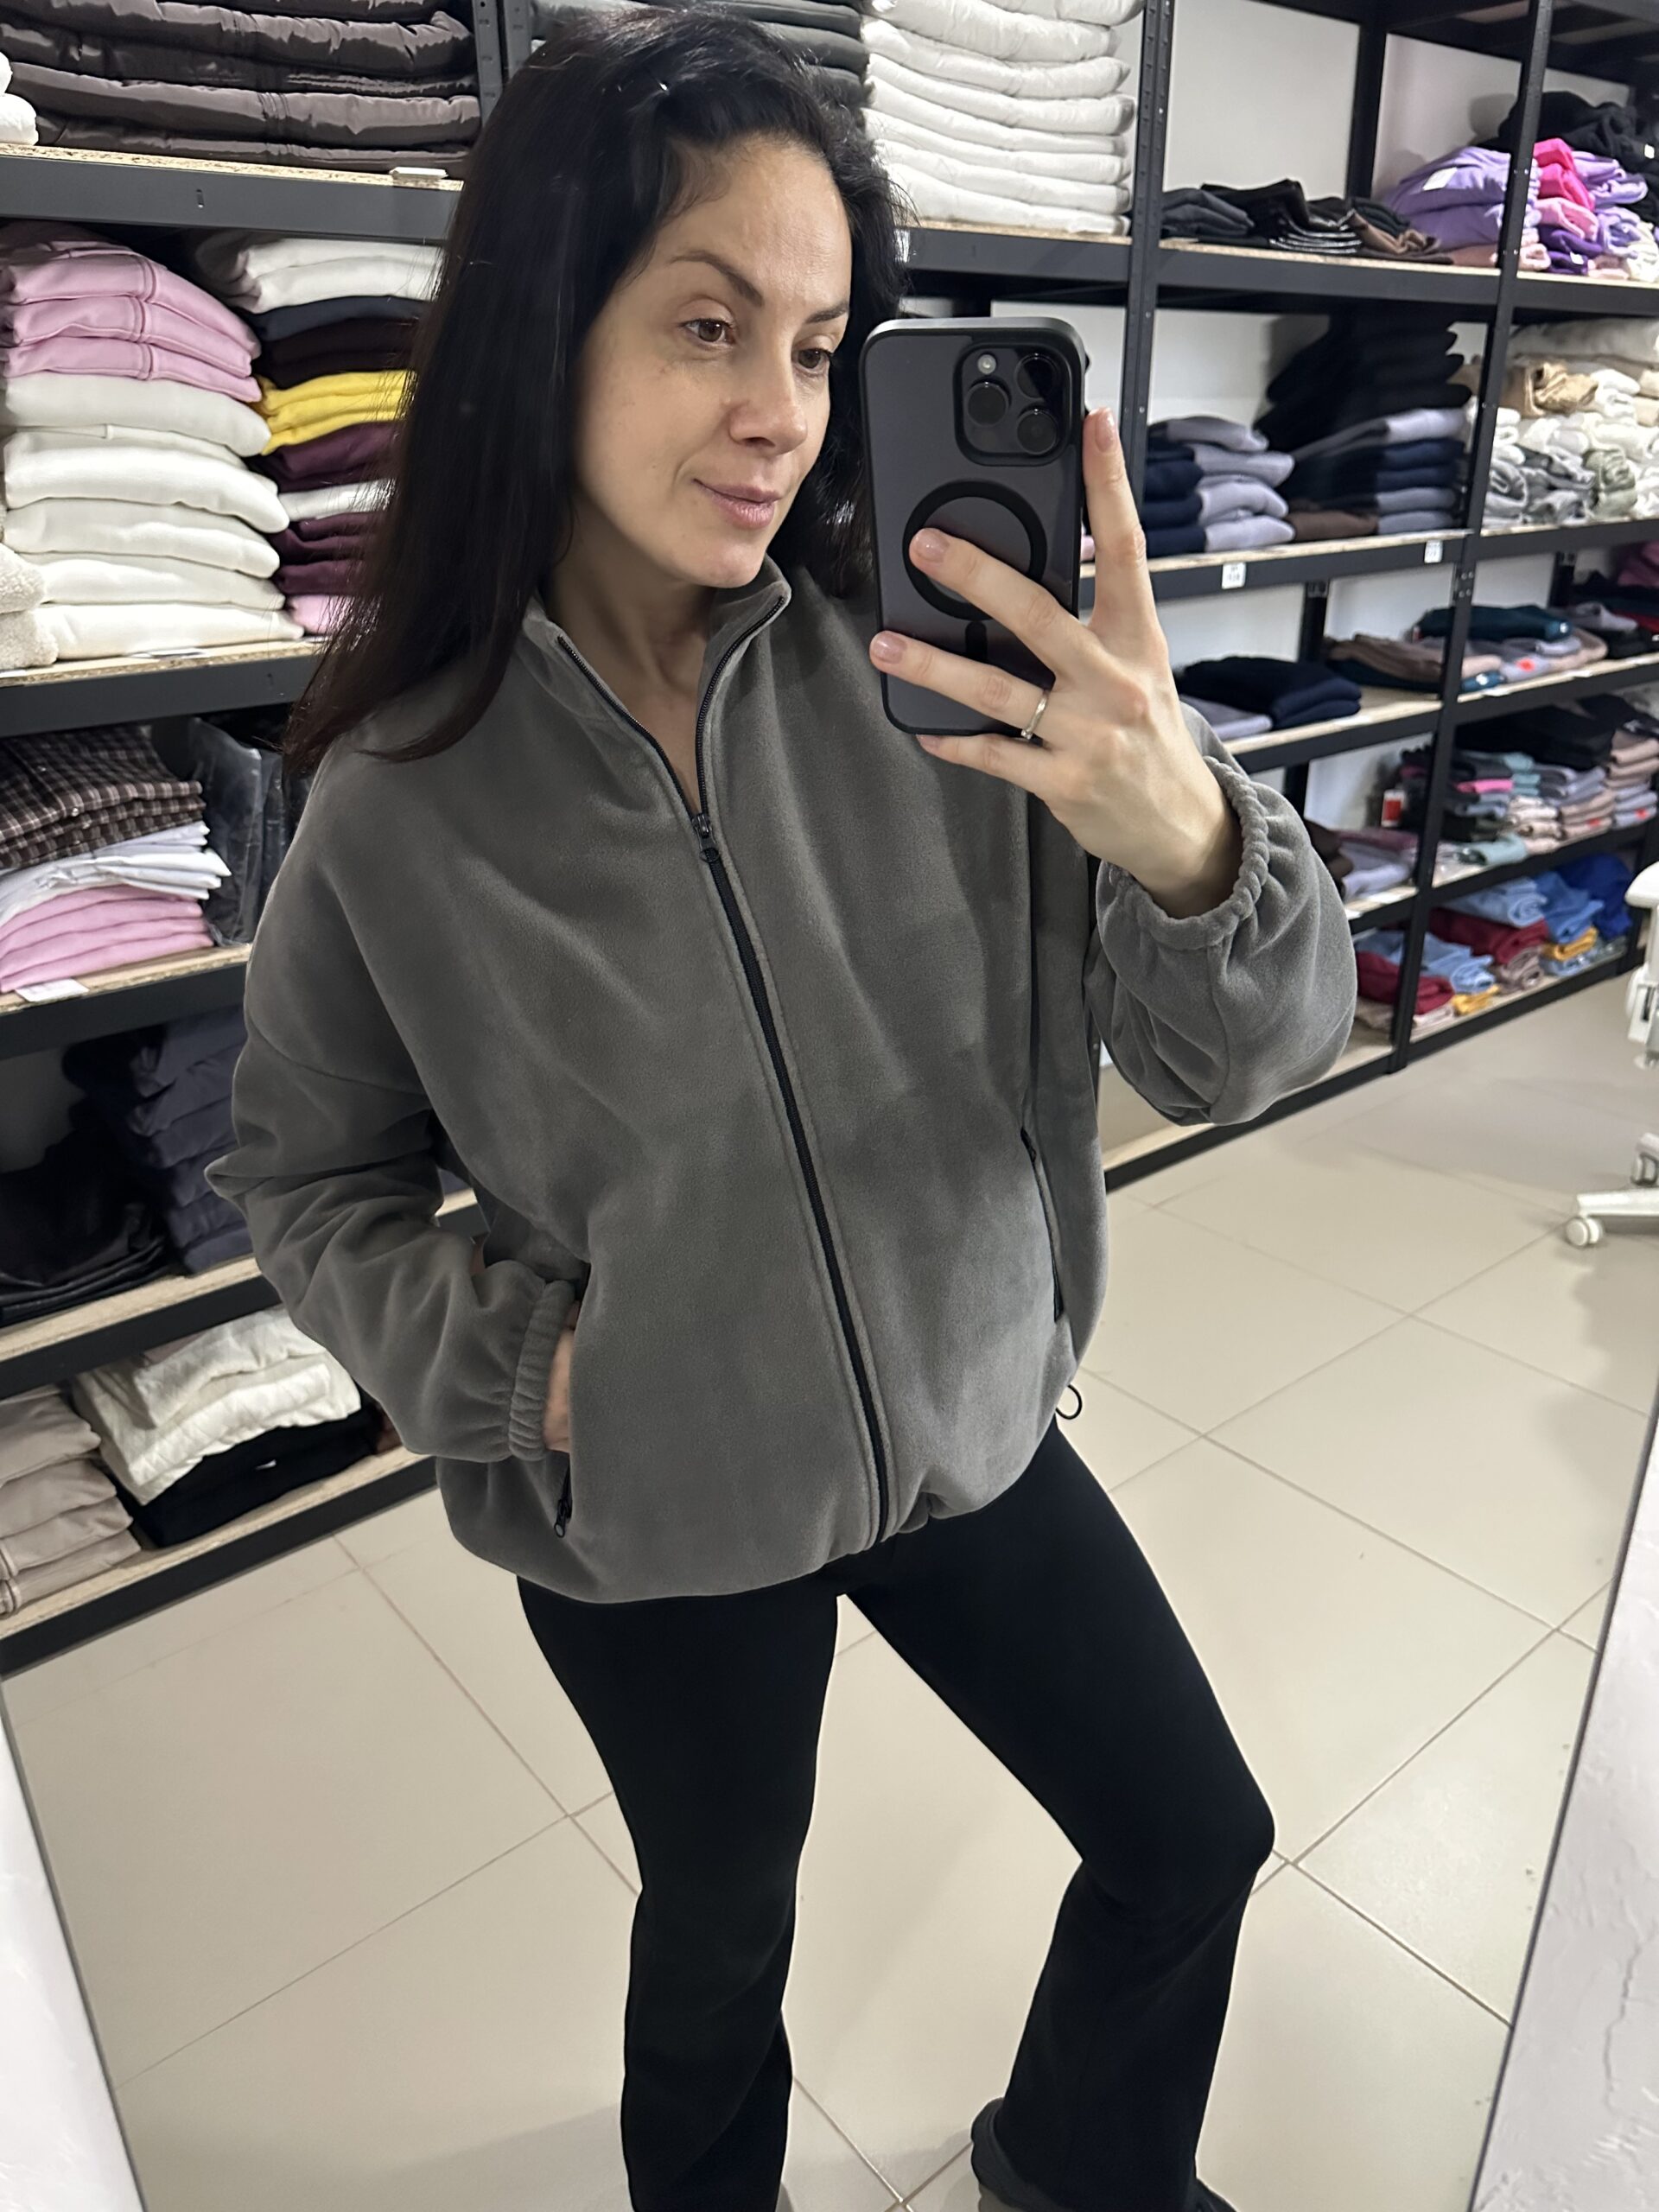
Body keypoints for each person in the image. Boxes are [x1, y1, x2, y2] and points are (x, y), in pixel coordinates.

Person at [204, 11, 1357, 2211]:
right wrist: (540, 1374)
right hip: (654, 1498)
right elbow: (306, 1175)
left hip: (964, 1409)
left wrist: (1185, 826)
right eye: (709, 325)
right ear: (550, 329)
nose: (780, 415)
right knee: (722, 1944)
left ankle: (1081, 2159)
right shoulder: (398, 799)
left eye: (821, 347)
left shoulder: (942, 672)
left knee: (1192, 1828)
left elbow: (1248, 1053)